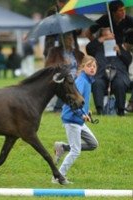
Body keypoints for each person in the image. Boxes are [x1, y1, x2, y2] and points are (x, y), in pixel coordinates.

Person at [52, 55, 99, 184]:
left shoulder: (88, 81)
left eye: (94, 66)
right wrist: (81, 114)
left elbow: (81, 101)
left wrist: (87, 112)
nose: (92, 68)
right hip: (72, 120)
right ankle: (58, 177)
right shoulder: (81, 81)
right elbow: (72, 102)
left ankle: (62, 147)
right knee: (76, 151)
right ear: (82, 67)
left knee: (93, 144)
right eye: (89, 66)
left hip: (80, 120)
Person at [86, 27, 132, 116]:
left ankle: (121, 110)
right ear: (101, 37)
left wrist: (120, 52)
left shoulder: (120, 46)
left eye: (110, 35)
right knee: (97, 83)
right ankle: (100, 110)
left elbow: (128, 60)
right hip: (101, 74)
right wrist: (104, 39)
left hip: (119, 74)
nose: (108, 37)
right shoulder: (96, 48)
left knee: (120, 83)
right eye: (105, 35)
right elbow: (89, 48)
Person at [45, 32, 84, 112]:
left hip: (76, 75)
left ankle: (80, 104)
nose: (71, 40)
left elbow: (82, 62)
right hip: (62, 75)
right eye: (68, 39)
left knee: (82, 80)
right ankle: (58, 107)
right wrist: (61, 63)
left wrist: (80, 70)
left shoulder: (75, 52)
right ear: (62, 40)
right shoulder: (54, 51)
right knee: (67, 82)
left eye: (72, 38)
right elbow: (48, 66)